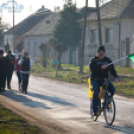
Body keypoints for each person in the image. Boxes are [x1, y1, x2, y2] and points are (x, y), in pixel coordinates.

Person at [89, 46, 119, 116]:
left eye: (102, 52)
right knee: (96, 93)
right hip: (95, 80)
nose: (101, 53)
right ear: (97, 53)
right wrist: (101, 67)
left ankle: (106, 103)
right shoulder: (93, 60)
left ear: (104, 53)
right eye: (99, 52)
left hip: (104, 80)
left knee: (112, 90)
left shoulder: (108, 60)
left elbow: (112, 70)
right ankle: (95, 111)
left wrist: (115, 76)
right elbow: (91, 68)